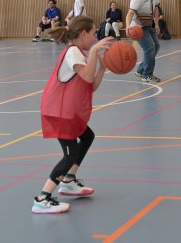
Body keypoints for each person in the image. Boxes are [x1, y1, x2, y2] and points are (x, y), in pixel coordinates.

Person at [31, 16, 113, 214]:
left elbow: (90, 85)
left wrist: (102, 68)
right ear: (83, 33)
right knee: (71, 154)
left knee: (87, 136)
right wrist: (95, 51)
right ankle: (42, 198)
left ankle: (68, 181)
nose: (95, 37)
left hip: (67, 111)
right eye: (93, 33)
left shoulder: (80, 53)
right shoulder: (73, 52)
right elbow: (87, 75)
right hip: (59, 111)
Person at [126, 0, 161, 83]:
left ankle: (141, 70)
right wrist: (127, 26)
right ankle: (147, 75)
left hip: (148, 23)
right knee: (149, 48)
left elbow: (156, 9)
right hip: (137, 26)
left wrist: (156, 24)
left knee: (156, 46)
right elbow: (130, 13)